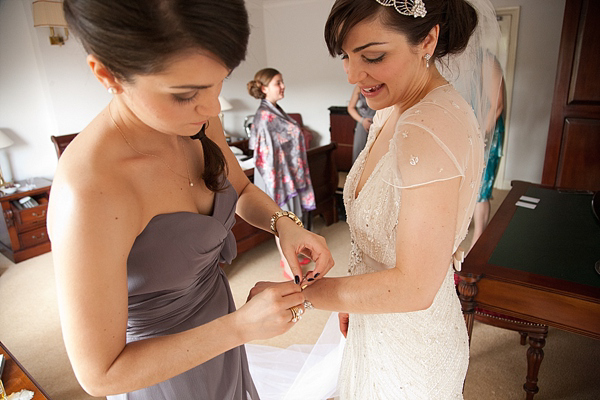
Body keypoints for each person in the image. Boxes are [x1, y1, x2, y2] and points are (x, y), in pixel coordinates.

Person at [47, 1, 334, 398]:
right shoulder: (90, 190)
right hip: (166, 376)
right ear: (107, 74)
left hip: (221, 337)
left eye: (220, 81)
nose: (214, 106)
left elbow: (243, 189)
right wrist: (240, 327)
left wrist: (283, 225)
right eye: (184, 94)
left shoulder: (199, 118)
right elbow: (100, 374)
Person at [248, 0, 500, 398]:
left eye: (373, 56)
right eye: (346, 56)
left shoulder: (428, 125)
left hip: (412, 342)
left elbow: (415, 287)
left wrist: (303, 294)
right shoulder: (394, 105)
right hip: (376, 316)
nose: (352, 74)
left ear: (428, 40)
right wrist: (353, 297)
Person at [247, 68, 316, 279]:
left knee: (292, 217)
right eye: (278, 82)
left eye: (282, 81)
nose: (283, 86)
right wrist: (274, 186)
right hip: (276, 178)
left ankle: (293, 252)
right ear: (264, 88)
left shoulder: (276, 110)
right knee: (282, 220)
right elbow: (265, 158)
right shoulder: (264, 117)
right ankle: (287, 262)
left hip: (288, 174)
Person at [471, 56, 506, 251]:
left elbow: (497, 104)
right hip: (472, 130)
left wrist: (479, 136)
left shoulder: (488, 62)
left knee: (481, 188)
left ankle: (478, 240)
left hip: (487, 133)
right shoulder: (466, 64)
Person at [347, 84, 376, 163]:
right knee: (359, 154)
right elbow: (350, 108)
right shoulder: (359, 86)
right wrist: (362, 121)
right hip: (363, 124)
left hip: (380, 123)